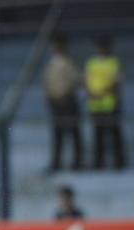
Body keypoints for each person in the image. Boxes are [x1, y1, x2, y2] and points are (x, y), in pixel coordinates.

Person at [44, 33, 83, 171]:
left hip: (67, 101)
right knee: (58, 134)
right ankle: (56, 162)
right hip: (56, 102)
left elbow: (76, 80)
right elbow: (48, 83)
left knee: (73, 132)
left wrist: (64, 94)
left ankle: (78, 162)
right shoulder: (51, 63)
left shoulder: (68, 62)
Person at [85, 35, 125, 169]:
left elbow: (117, 82)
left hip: (110, 104)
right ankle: (98, 163)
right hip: (96, 105)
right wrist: (92, 93)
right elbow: (87, 81)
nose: (101, 49)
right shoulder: (92, 63)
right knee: (98, 136)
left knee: (114, 135)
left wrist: (102, 92)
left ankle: (119, 162)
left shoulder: (114, 62)